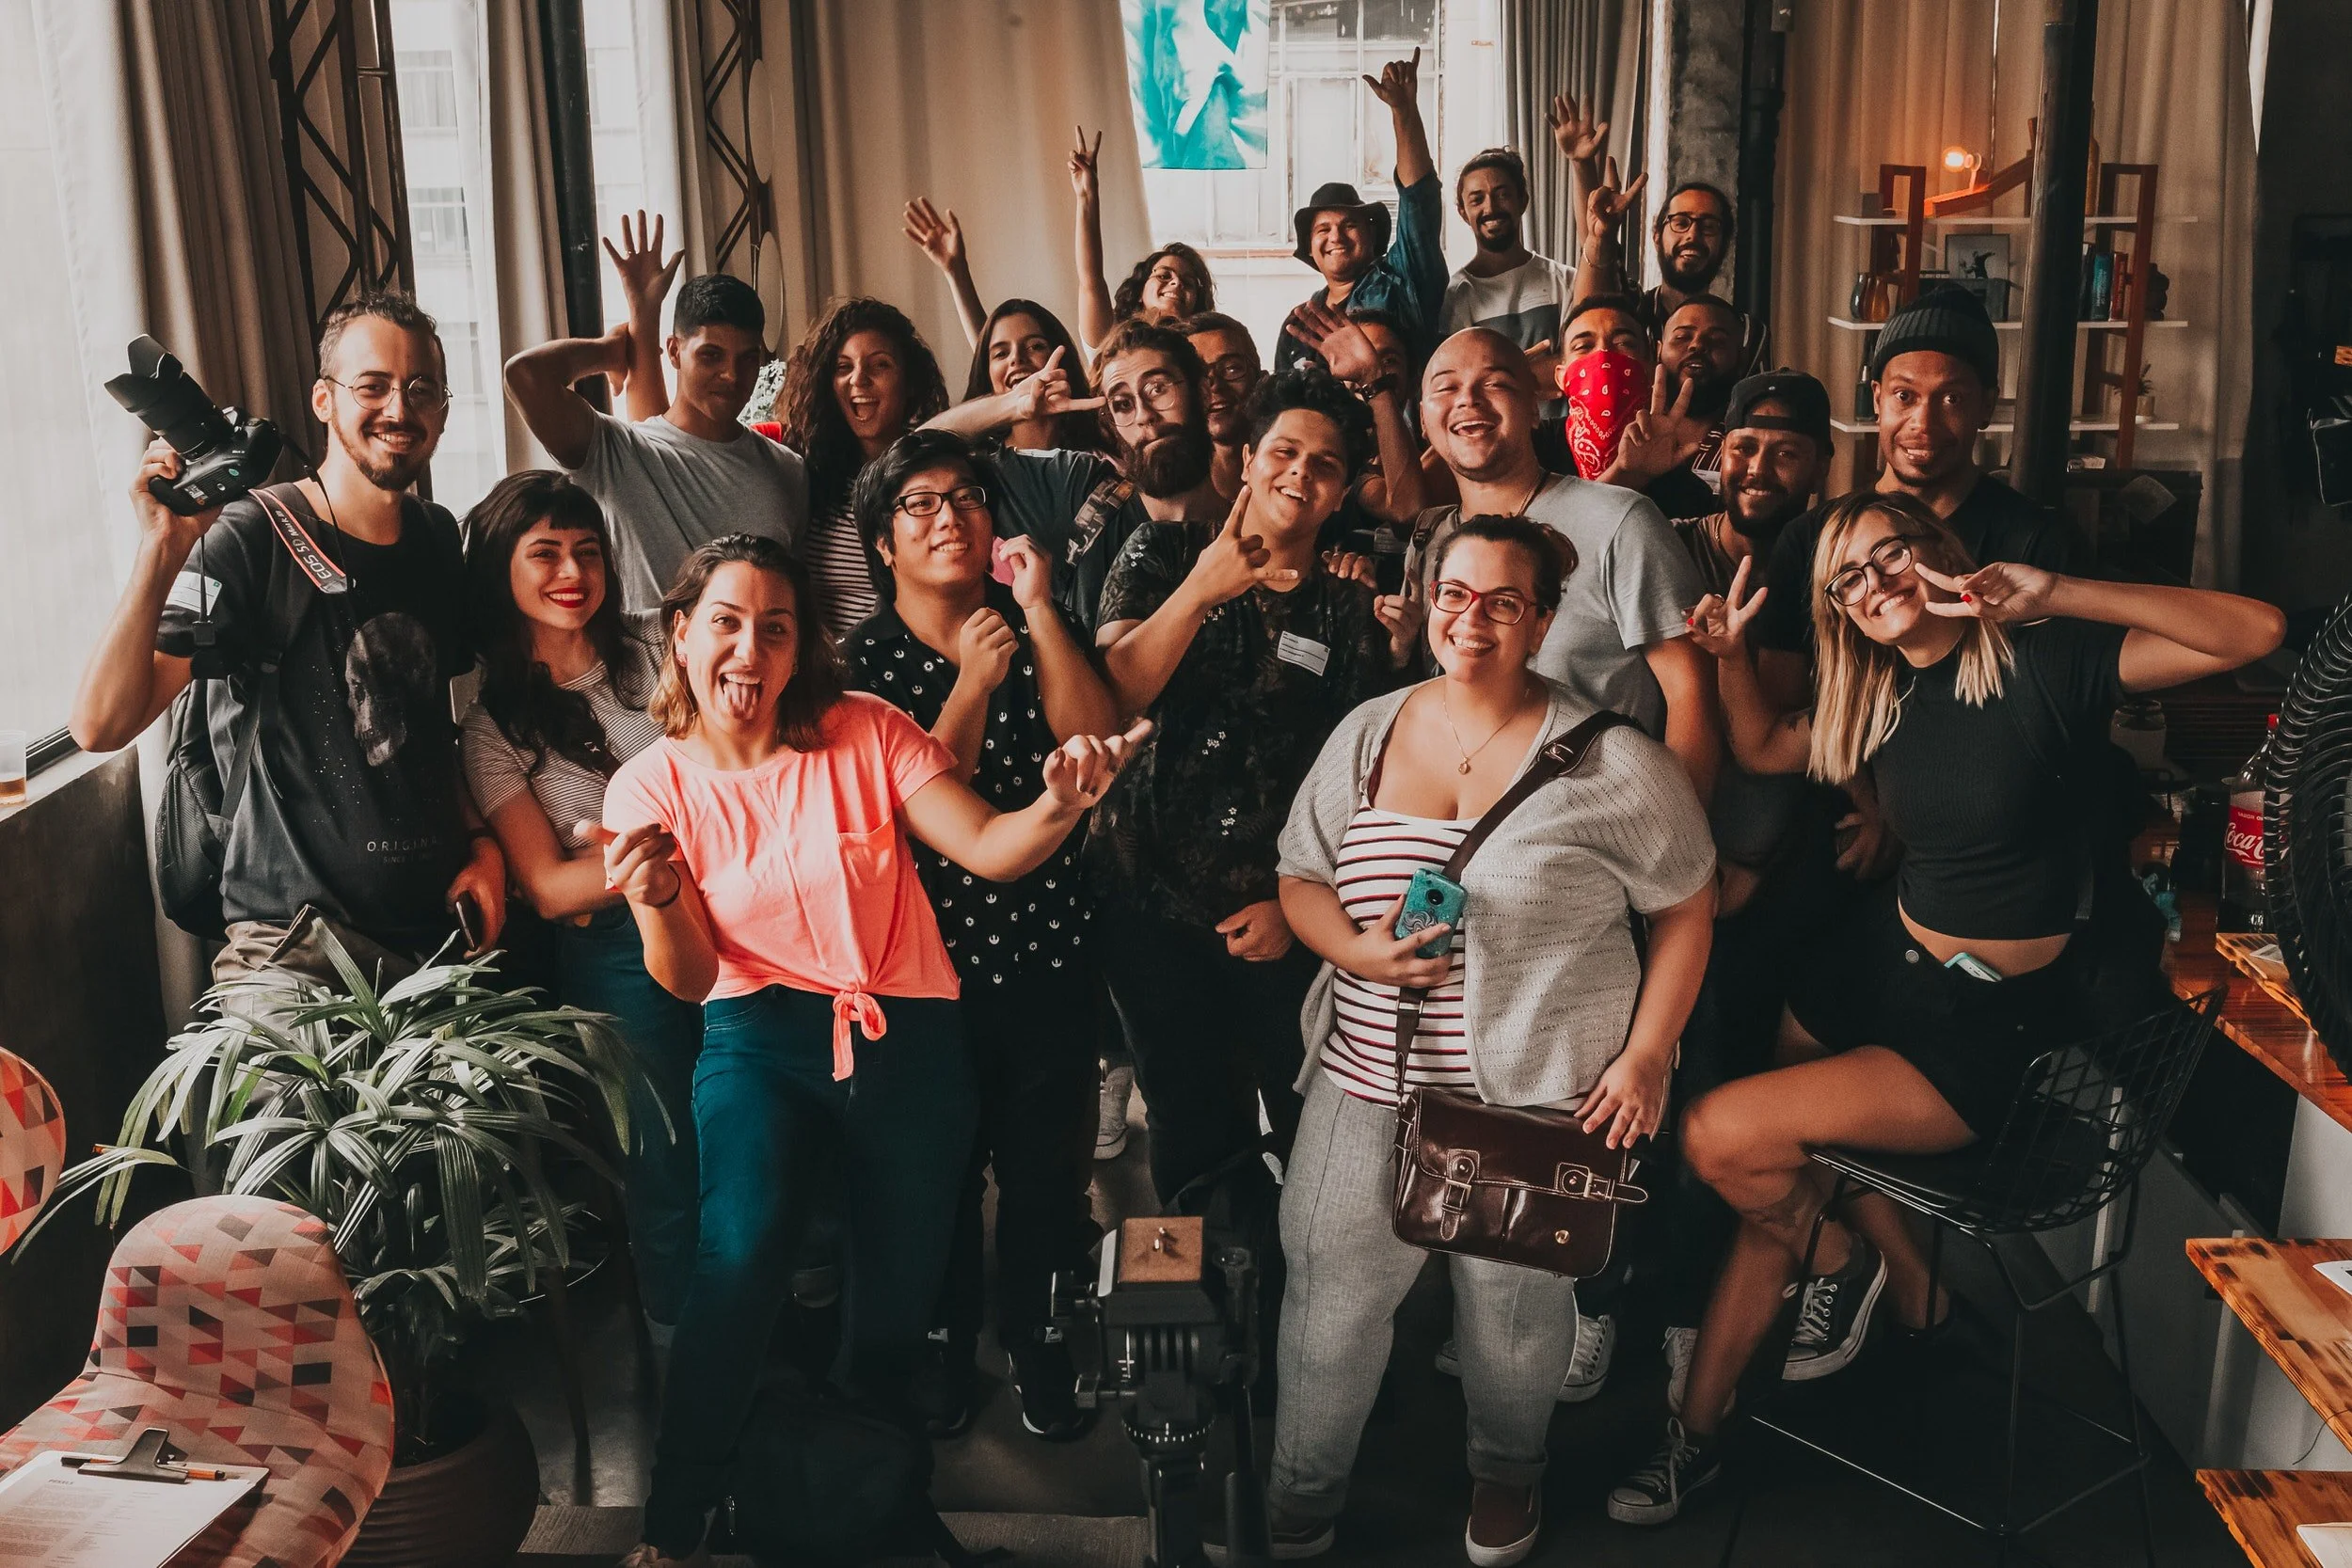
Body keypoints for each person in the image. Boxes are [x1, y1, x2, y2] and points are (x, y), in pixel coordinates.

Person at [1607, 491, 2285, 1525]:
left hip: (1985, 1018)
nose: (1875, 584)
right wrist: (1732, 657)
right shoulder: (1873, 695)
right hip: (1875, 964)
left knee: (1723, 1132)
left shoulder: (2046, 660)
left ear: (1939, 555)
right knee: (1778, 1167)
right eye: (1849, 578)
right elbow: (1756, 747)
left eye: (1891, 556)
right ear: (1837, 608)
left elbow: (2257, 631)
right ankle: (1706, 1424)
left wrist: (2053, 590)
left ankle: (1854, 1267)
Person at [601, 534, 1147, 1568]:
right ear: (680, 635)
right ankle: (673, 1527)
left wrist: (1062, 803)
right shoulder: (650, 785)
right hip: (757, 1037)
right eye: (724, 620)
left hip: (908, 1038)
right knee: (740, 1252)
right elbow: (682, 976)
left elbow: (990, 845)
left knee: (896, 1297)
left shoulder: (866, 731)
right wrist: (659, 894)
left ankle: (865, 1506)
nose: (746, 647)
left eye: (774, 624)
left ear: (801, 643)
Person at [1257, 515, 1715, 1565]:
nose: (1474, 619)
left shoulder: (1614, 761)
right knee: (1328, 1299)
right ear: (1425, 602)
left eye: (1505, 601)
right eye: (1455, 594)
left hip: (1533, 1093)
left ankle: (1510, 1475)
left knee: (1512, 1314)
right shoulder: (1367, 731)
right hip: (1363, 1075)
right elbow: (1299, 874)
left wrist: (1646, 1053)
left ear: (1542, 620)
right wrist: (1358, 954)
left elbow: (1689, 902)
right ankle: (1301, 1491)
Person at [72, 291, 504, 990]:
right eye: (373, 386)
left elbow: (430, 726)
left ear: (445, 412)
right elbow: (100, 723)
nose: (399, 408)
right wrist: (162, 548)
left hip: (434, 943)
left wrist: (483, 844)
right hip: (293, 956)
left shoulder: (436, 536)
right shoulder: (254, 535)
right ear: (324, 401)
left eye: (420, 389)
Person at [842, 430, 1121, 1442]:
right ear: (882, 542)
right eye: (919, 504)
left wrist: (1040, 611)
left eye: (965, 498)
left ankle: (1037, 1337)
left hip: (1049, 948)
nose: (949, 517)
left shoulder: (1022, 619)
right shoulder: (860, 667)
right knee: (942, 1175)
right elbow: (896, 816)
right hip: (926, 967)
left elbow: (1095, 736)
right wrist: (966, 683)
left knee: (1048, 1174)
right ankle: (946, 1346)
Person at [1089, 367, 1414, 1207]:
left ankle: (1287, 1314)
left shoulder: (1348, 605)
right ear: (1247, 458)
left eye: (1326, 463)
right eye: (1285, 451)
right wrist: (1203, 588)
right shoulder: (1161, 550)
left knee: (1305, 1121)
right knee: (1188, 1122)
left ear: (1344, 487)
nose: (1300, 475)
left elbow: (1356, 781)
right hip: (1148, 901)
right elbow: (1116, 691)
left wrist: (1291, 902)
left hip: (1279, 914)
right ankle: (1202, 1320)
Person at [457, 471, 699, 1346]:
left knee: (761, 1117)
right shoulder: (491, 726)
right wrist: (673, 848)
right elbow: (552, 888)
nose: (573, 571)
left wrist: (632, 851)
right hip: (615, 955)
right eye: (546, 554)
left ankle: (791, 1307)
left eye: (588, 551)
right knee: (664, 1150)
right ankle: (683, 1341)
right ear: (502, 571)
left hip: (737, 916)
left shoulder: (659, 645)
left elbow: (740, 763)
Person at [1747, 284, 2076, 886]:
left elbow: (2048, 716)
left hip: (1988, 829)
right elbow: (1785, 705)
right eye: (1904, 395)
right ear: (1877, 399)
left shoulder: (2031, 542)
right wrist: (1874, 804)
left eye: (1951, 397)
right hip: (1840, 809)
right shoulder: (1812, 537)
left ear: (1987, 405)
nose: (1922, 422)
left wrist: (1911, 814)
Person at [1415, 328, 1719, 800]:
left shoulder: (1620, 520)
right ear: (1423, 419)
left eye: (1495, 383)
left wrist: (1674, 842)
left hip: (1597, 828)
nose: (1469, 400)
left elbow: (1691, 691)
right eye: (1447, 387)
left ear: (1536, 408)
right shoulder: (1431, 541)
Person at [504, 260, 806, 613]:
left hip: (756, 665)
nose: (731, 375)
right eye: (711, 355)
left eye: (747, 359)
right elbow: (525, 375)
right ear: (675, 352)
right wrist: (611, 351)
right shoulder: (616, 451)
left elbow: (796, 592)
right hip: (647, 667)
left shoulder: (788, 469)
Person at [776, 297, 953, 637]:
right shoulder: (805, 468)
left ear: (910, 382)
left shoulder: (935, 469)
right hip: (825, 675)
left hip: (913, 669)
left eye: (880, 365)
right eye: (844, 367)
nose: (860, 379)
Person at [1274, 49, 1447, 375]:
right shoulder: (1300, 322)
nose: (1335, 236)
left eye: (1348, 224)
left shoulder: (1402, 280)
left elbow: (1418, 200)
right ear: (1310, 249)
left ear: (1370, 235)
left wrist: (1403, 111)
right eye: (1322, 230)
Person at [1438, 93, 1608, 389]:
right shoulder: (1455, 297)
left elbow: (1585, 367)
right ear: (1463, 213)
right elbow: (1462, 385)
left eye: (1502, 194)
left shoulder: (1565, 280)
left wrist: (1582, 165)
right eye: (1477, 199)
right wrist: (1539, 371)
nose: (1490, 208)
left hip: (1560, 435)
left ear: (1523, 201)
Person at [1575, 176, 1767, 375]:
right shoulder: (1633, 308)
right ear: (1656, 235)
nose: (1693, 235)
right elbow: (1589, 313)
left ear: (1725, 244)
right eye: (1680, 223)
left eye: (1709, 226)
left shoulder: (1744, 332)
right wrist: (1600, 238)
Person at [1068, 125, 1216, 350]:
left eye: (1187, 283)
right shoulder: (1111, 341)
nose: (1176, 282)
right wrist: (1086, 196)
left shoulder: (1203, 351)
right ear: (1139, 292)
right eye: (1164, 275)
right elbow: (1091, 279)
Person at [960, 298, 1111, 456]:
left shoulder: (1098, 459)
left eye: (1035, 346)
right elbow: (932, 435)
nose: (1016, 358)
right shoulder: (974, 465)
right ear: (986, 373)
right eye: (1001, 354)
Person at [1183, 311, 1267, 503]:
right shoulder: (1168, 495)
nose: (1215, 385)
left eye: (1231, 368)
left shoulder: (1291, 480)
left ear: (1261, 380)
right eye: (1198, 373)